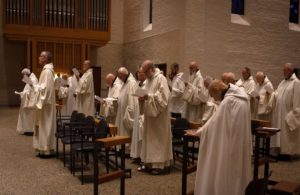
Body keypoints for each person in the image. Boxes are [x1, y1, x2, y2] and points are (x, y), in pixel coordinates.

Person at [186, 80, 252, 195]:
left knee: (227, 171)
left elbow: (214, 123)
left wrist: (198, 132)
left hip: (230, 144)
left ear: (217, 91)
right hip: (239, 142)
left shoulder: (228, 102)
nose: (215, 100)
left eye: (213, 96)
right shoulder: (242, 94)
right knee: (237, 172)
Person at [138, 60, 173, 174]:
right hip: (150, 116)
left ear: (151, 69)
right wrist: (142, 98)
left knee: (158, 141)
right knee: (150, 139)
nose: (144, 75)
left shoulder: (161, 78)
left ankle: (158, 166)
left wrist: (149, 96)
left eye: (145, 72)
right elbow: (146, 93)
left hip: (159, 117)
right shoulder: (148, 80)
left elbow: (164, 97)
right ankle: (149, 163)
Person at [272, 63, 300, 158]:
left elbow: (297, 99)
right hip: (280, 112)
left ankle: (289, 153)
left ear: (290, 70)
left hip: (288, 113)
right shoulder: (282, 82)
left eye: (285, 70)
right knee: (280, 133)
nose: (283, 72)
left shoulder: (296, 82)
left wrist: (294, 113)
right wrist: (273, 94)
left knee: (287, 134)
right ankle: (280, 151)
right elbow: (277, 93)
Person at [33, 51, 56, 157]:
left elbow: (45, 90)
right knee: (43, 126)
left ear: (46, 58)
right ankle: (43, 149)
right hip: (45, 105)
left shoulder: (47, 71)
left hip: (45, 105)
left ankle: (46, 150)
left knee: (45, 126)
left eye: (41, 56)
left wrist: (35, 85)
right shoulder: (46, 70)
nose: (39, 57)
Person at [115, 67, 138, 146]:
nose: (120, 79)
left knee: (126, 133)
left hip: (127, 115)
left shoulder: (131, 83)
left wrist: (129, 115)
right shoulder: (125, 83)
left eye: (120, 77)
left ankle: (127, 149)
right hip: (122, 112)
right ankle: (122, 147)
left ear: (124, 75)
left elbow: (132, 101)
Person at [130, 67, 146, 162]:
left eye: (140, 73)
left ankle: (141, 156)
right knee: (136, 135)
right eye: (138, 73)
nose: (138, 75)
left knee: (142, 136)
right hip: (138, 112)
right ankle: (137, 155)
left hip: (143, 114)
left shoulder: (146, 84)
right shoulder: (138, 83)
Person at [16, 68, 38, 135]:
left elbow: (34, 90)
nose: (23, 76)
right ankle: (27, 129)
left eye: (24, 75)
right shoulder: (30, 78)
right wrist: (23, 93)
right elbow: (28, 89)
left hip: (30, 102)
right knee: (27, 116)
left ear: (26, 74)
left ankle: (30, 130)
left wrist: (23, 93)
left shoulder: (33, 79)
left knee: (30, 116)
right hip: (27, 101)